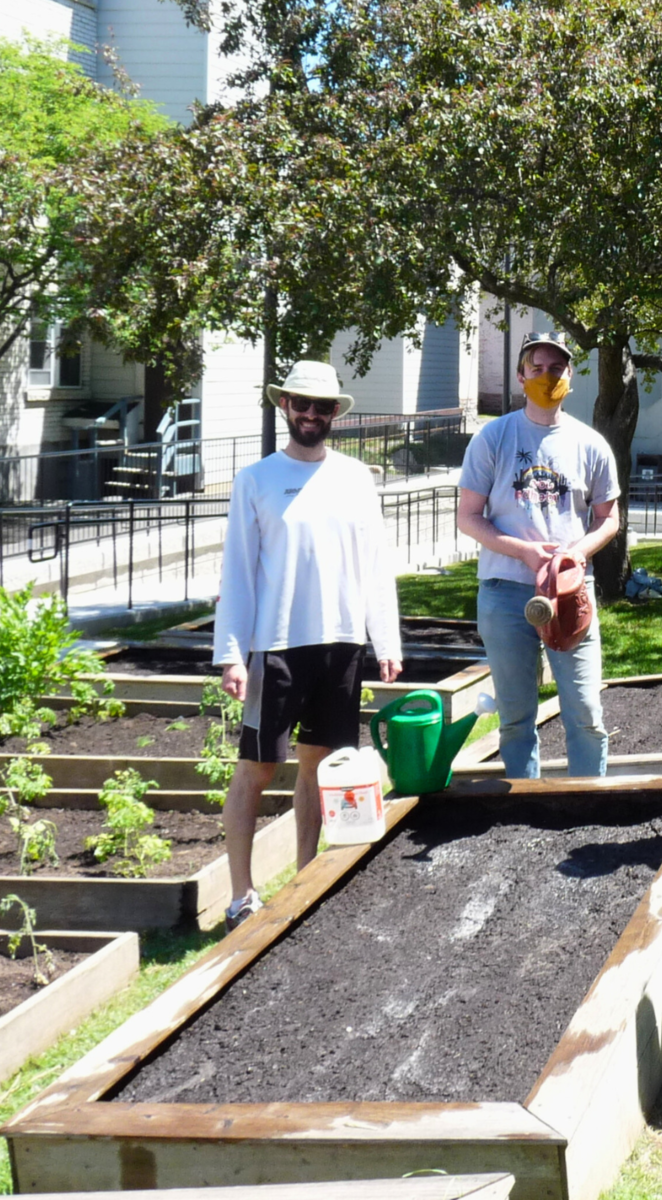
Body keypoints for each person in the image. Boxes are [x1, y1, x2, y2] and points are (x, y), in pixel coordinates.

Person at [212, 360, 403, 931]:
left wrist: (385, 639)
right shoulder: (256, 479)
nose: (312, 415)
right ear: (285, 407)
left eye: (322, 407)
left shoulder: (355, 478)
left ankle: (305, 879)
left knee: (319, 770)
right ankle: (241, 893)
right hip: (276, 647)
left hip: (341, 646)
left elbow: (375, 565)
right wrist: (230, 653)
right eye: (302, 404)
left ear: (334, 414)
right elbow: (237, 575)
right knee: (257, 767)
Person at [455, 331, 621, 778]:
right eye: (537, 368)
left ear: (570, 375)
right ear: (520, 376)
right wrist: (524, 552)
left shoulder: (591, 444)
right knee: (515, 717)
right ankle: (524, 805)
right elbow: (468, 516)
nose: (546, 376)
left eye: (556, 368)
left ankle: (588, 802)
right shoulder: (492, 438)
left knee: (585, 711)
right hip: (504, 593)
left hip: (571, 594)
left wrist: (576, 554)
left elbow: (609, 519)